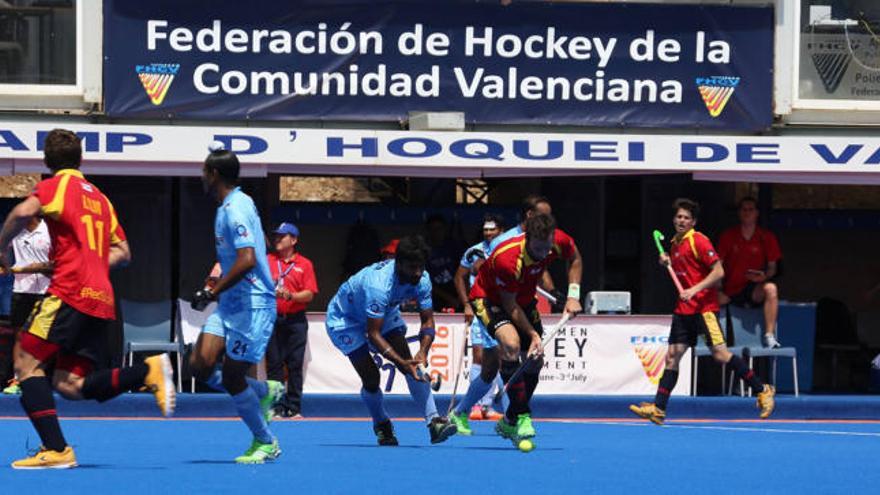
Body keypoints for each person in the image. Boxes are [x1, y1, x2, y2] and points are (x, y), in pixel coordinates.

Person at [1, 129, 174, 469]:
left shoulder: (56, 186)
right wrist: (90, 261)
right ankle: (146, 371)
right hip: (101, 298)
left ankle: (57, 450)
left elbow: (22, 213)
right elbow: (124, 252)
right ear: (80, 159)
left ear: (48, 162)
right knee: (69, 384)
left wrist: (1, 247)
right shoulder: (100, 197)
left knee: (24, 361)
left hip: (69, 290)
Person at [630, 198, 776, 425]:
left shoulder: (699, 241)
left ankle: (762, 389)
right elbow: (685, 270)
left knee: (720, 354)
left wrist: (694, 289)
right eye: (679, 216)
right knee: (672, 357)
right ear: (674, 219)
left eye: (686, 218)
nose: (682, 220)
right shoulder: (674, 243)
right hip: (683, 311)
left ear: (693, 222)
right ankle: (659, 408)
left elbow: (719, 271)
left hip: (704, 309)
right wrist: (666, 261)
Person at [188, 143, 285, 464]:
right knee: (199, 365)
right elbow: (257, 247)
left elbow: (246, 259)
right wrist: (218, 281)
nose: (201, 176)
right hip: (231, 301)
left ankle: (265, 441)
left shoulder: (236, 208)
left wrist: (212, 292)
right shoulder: (231, 205)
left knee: (232, 377)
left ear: (214, 174)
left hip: (252, 305)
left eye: (204, 171)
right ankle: (261, 392)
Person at [451, 213, 582, 445]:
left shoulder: (557, 240)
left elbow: (574, 259)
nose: (544, 253)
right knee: (511, 346)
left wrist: (573, 295)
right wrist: (532, 334)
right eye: (539, 248)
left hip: (522, 299)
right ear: (527, 238)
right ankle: (522, 417)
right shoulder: (508, 257)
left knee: (534, 360)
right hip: (489, 300)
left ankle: (509, 419)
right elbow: (509, 306)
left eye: (548, 247)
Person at [325, 235, 457, 446]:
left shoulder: (422, 279)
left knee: (411, 363)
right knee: (371, 377)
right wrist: (401, 363)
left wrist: (423, 351)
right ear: (399, 263)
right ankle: (381, 424)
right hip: (345, 319)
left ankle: (434, 422)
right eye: (412, 267)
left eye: (420, 267)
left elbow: (428, 321)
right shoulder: (379, 285)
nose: (417, 273)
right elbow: (373, 334)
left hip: (383, 313)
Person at [452, 214, 505, 421]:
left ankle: (488, 407)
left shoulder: (507, 249)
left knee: (497, 358)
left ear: (501, 230)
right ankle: (474, 405)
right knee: (479, 356)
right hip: (479, 307)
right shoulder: (473, 251)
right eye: (486, 229)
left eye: (492, 229)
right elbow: (459, 277)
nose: (488, 233)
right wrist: (466, 303)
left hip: (500, 310)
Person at [266, 222, 318, 418]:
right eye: (276, 236)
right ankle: (276, 407)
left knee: (295, 363)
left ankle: (294, 407)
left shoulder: (304, 264)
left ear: (294, 240)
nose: (277, 240)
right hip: (271, 318)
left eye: (282, 236)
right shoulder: (268, 261)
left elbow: (310, 294)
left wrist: (291, 296)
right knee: (274, 364)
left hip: (295, 319)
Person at [717, 197, 783, 348]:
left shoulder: (767, 237)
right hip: (730, 290)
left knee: (771, 289)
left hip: (753, 289)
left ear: (757, 213)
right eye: (744, 209)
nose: (747, 213)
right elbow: (717, 266)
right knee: (704, 297)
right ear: (739, 213)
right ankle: (713, 345)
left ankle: (769, 335)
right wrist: (718, 289)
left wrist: (764, 276)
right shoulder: (728, 236)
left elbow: (773, 267)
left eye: (751, 209)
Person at [2, 217, 52, 395]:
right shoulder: (14, 232)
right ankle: (18, 379)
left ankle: (42, 379)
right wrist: (4, 263)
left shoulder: (50, 231)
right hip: (21, 291)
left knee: (45, 339)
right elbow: (3, 251)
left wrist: (23, 269)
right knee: (19, 338)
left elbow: (57, 265)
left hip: (48, 291)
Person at [425, 214, 462, 311]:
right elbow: (424, 281)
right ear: (428, 231)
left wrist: (461, 296)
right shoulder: (424, 251)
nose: (436, 232)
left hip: (456, 293)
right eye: (432, 229)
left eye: (439, 229)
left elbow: (463, 273)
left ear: (445, 229)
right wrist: (448, 298)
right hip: (434, 296)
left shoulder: (453, 247)